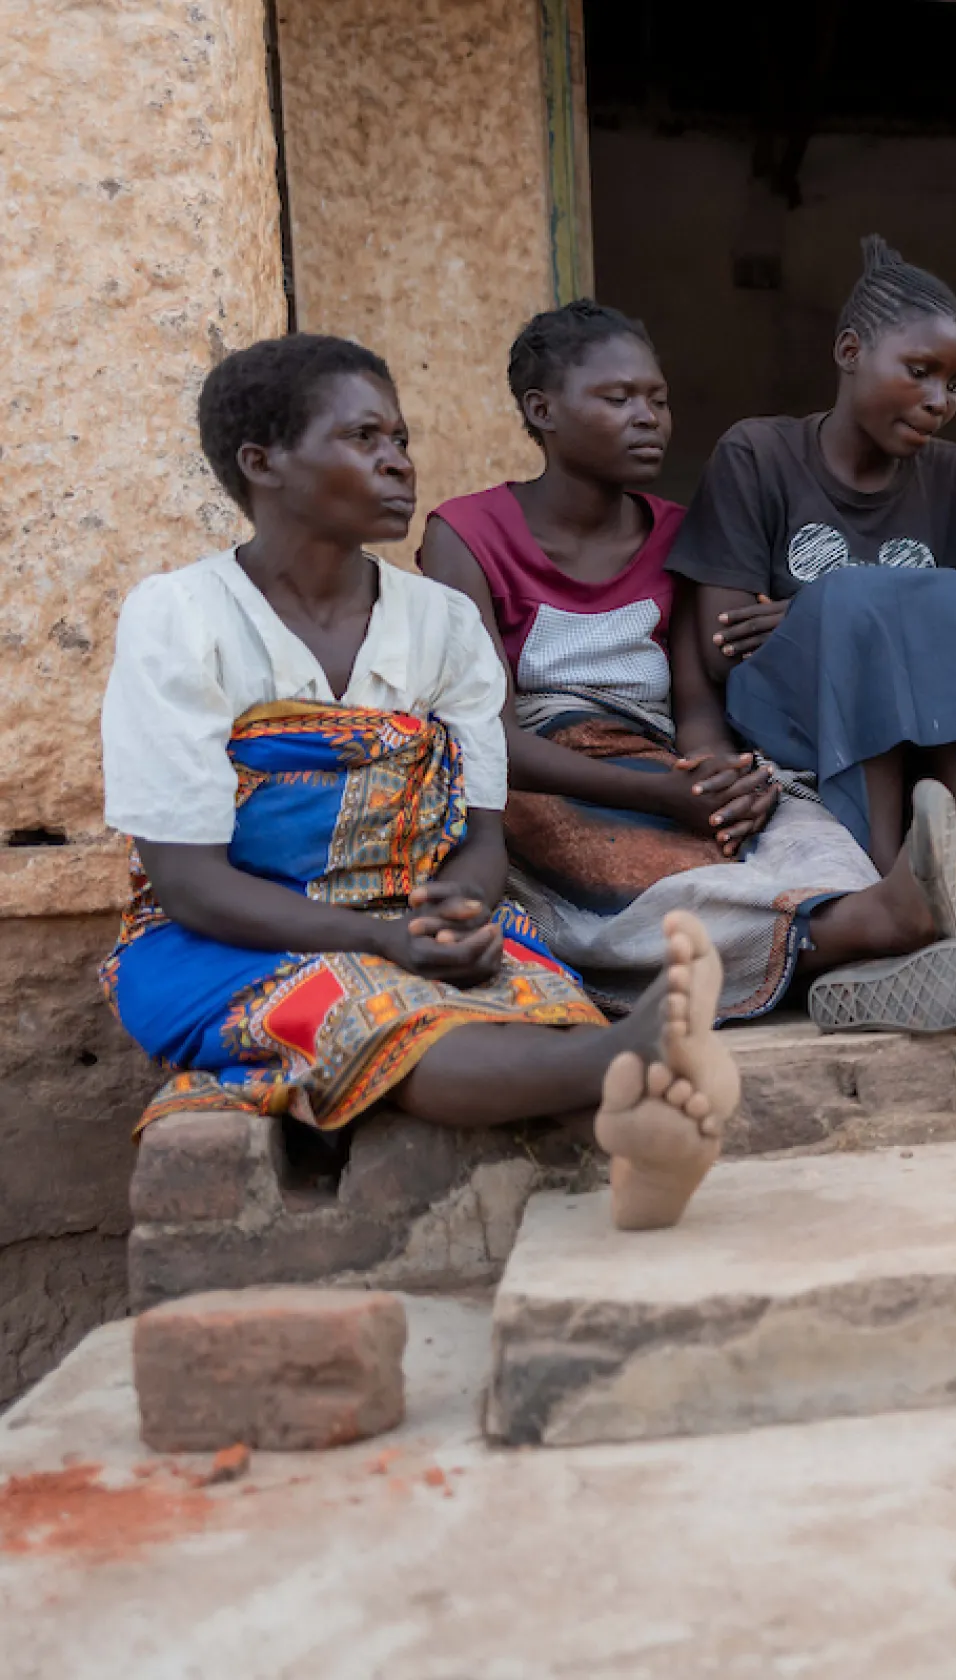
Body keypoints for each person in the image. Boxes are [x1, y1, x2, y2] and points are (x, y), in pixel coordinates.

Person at [99, 333, 730, 1232]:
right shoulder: (182, 618)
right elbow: (188, 881)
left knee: (535, 1006)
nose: (399, 462)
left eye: (401, 437)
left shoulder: (439, 622)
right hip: (218, 939)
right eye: (364, 439)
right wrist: (386, 943)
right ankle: (627, 1067)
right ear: (262, 462)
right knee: (381, 1017)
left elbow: (480, 834)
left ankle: (640, 1122)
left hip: (410, 921)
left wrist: (462, 914)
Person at [417, 300, 956, 1035]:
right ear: (541, 411)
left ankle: (866, 928)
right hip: (545, 768)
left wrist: (716, 777)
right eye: (619, 399)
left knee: (795, 825)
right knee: (624, 882)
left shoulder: (673, 529)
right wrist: (664, 795)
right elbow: (491, 738)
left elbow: (696, 701)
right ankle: (869, 934)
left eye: (658, 400)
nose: (649, 417)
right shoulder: (467, 534)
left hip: (661, 753)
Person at [666, 236, 956, 984]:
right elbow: (724, 645)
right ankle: (875, 890)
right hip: (791, 725)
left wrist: (801, 612)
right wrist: (838, 609)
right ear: (851, 350)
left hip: (925, 733)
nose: (940, 401)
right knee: (872, 601)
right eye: (920, 372)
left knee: (953, 600)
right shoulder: (757, 455)